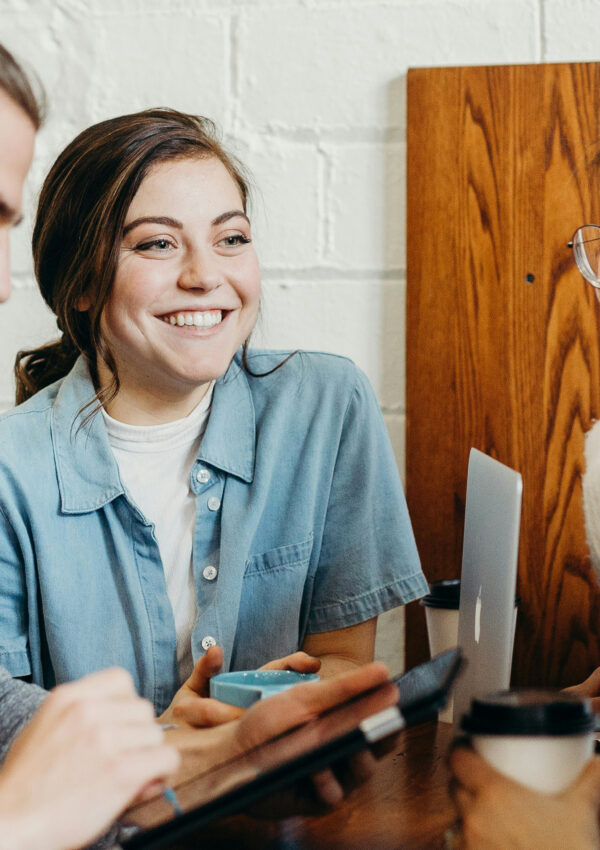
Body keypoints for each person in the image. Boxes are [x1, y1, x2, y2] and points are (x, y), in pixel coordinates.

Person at [0, 106, 427, 721]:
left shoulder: (328, 407)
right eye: (157, 244)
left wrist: (290, 704)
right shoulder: (12, 471)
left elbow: (344, 659)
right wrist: (179, 747)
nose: (206, 276)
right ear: (81, 286)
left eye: (231, 239)